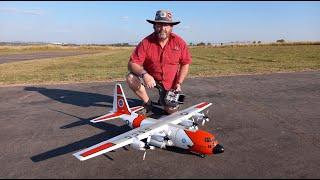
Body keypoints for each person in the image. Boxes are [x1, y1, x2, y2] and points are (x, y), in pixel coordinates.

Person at [126, 9, 192, 115]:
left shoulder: (179, 42)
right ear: (154, 26)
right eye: (159, 25)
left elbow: (185, 63)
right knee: (130, 77)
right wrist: (145, 75)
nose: (162, 29)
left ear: (171, 27)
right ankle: (147, 103)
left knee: (171, 111)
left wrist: (179, 83)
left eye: (166, 25)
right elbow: (132, 63)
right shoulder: (146, 42)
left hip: (170, 83)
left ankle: (164, 99)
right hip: (151, 78)